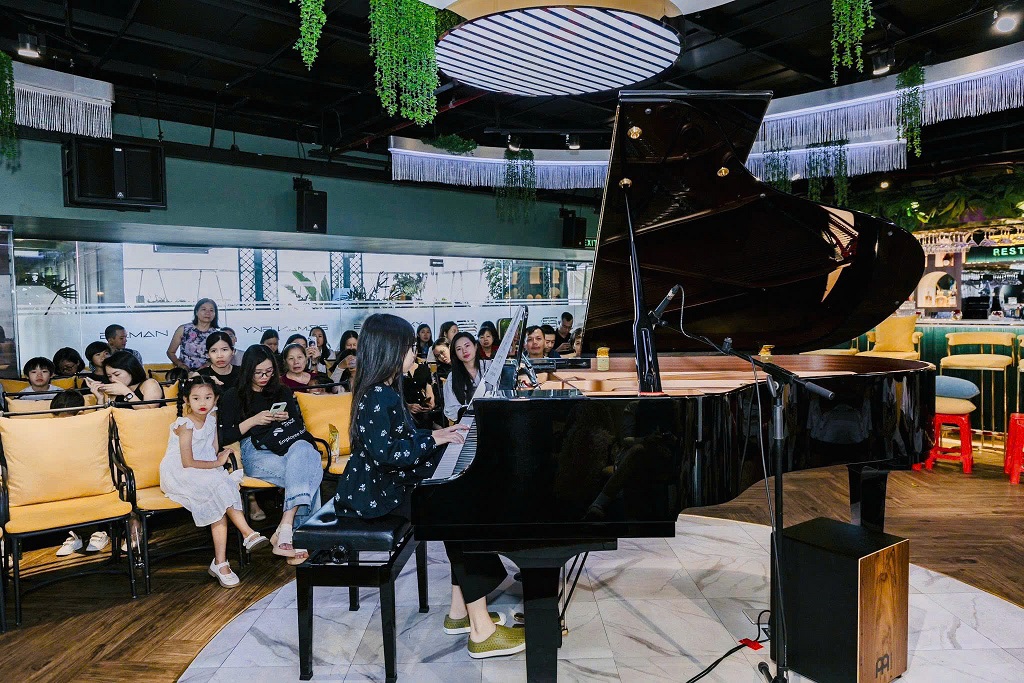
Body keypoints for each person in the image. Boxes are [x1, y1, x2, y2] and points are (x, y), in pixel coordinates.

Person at [333, 313, 523, 659]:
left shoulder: (385, 390)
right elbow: (387, 453)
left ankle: (460, 612)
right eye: (410, 347)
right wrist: (435, 438)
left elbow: (401, 440)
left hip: (385, 483)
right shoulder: (378, 395)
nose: (416, 354)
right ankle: (482, 630)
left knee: (456, 504)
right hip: (375, 494)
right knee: (458, 514)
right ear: (390, 350)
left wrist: (439, 436)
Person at [160, 375, 270, 588]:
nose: (202, 403)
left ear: (216, 399)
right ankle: (247, 533)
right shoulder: (185, 424)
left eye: (208, 397)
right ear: (186, 400)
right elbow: (187, 462)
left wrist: (219, 458)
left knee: (221, 488)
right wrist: (217, 463)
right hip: (179, 472)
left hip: (204, 469)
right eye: (196, 398)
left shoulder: (211, 417)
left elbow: (212, 449)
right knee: (219, 485)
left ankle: (221, 563)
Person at [218, 345, 324, 565]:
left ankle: (286, 526)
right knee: (310, 467)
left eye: (269, 371)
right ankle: (297, 535)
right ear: (248, 371)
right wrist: (253, 421)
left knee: (304, 449)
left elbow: (297, 427)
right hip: (255, 449)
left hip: (287, 444)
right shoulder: (233, 395)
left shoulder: (281, 391)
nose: (264, 377)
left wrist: (285, 418)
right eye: (258, 373)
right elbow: (224, 435)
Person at [53, 390, 114, 558]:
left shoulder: (90, 426)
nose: (61, 424)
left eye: (66, 419)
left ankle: (100, 531)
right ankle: (74, 535)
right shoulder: (54, 431)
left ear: (80, 414)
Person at [85, 351, 164, 408]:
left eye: (117, 374)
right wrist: (100, 399)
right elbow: (105, 419)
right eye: (109, 376)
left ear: (131, 370)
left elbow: (150, 412)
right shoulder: (115, 390)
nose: (112, 379)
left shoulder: (150, 384)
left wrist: (126, 392)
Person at [444, 332, 490, 423]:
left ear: (475, 346)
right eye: (459, 349)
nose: (464, 351)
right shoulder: (453, 376)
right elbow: (451, 409)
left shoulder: (490, 367)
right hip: (466, 423)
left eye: (467, 346)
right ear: (455, 354)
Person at [167, 299, 219, 370]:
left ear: (215, 314)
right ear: (196, 312)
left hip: (207, 372)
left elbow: (218, 357)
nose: (207, 313)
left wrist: (205, 367)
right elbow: (170, 352)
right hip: (184, 372)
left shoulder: (217, 335)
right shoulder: (184, 329)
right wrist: (180, 365)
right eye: (204, 309)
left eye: (211, 310)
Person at [403, 355, 436, 429]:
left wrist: (430, 403)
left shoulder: (423, 369)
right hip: (405, 412)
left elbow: (429, 390)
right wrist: (407, 406)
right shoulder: (396, 371)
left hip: (423, 411)